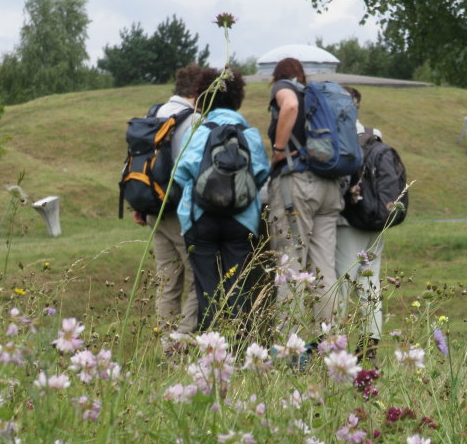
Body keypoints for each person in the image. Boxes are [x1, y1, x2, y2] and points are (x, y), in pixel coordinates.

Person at [173, 67, 270, 332]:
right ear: (238, 98)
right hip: (241, 221)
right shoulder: (249, 134)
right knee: (238, 286)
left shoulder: (198, 132)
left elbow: (180, 172)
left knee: (206, 287)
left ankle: (211, 347)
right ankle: (238, 348)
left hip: (200, 219)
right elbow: (261, 173)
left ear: (204, 97)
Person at [267, 57, 344, 348]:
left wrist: (278, 149)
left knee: (290, 262)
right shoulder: (319, 98)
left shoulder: (285, 87)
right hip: (329, 187)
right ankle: (331, 344)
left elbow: (289, 106)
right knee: (325, 266)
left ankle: (289, 347)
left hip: (297, 185)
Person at [131, 64, 201, 349]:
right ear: (198, 91)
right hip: (179, 211)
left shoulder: (155, 113)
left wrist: (141, 205)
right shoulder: (194, 119)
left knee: (167, 281)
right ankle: (181, 342)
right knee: (199, 278)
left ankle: (165, 346)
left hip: (153, 209)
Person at [336, 86, 384, 363]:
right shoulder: (374, 134)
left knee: (343, 283)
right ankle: (370, 346)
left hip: (348, 221)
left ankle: (336, 347)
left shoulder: (340, 137)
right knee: (371, 283)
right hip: (375, 219)